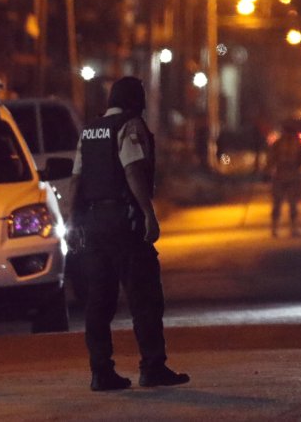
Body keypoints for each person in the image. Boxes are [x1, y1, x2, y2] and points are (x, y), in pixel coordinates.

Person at [69, 76, 189, 392]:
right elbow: (133, 169)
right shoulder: (130, 125)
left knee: (98, 301)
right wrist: (148, 213)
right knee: (145, 297)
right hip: (124, 222)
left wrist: (73, 221)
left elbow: (76, 179)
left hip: (94, 223)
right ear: (136, 100)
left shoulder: (90, 130)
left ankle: (101, 372)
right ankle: (152, 367)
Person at [267, 120, 301, 237]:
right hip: (288, 175)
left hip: (284, 175)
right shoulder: (293, 143)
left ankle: (279, 228)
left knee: (284, 203)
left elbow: (271, 159)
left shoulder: (279, 143)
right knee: (284, 203)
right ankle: (286, 228)